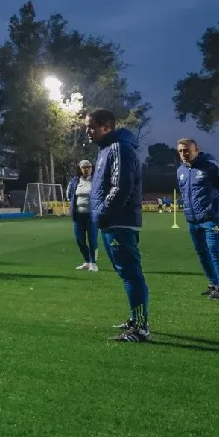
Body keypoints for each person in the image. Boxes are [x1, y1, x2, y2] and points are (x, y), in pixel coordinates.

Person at [86, 108, 149, 343]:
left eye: (91, 126)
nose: (87, 131)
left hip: (120, 222)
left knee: (131, 274)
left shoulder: (119, 149)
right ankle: (136, 319)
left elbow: (121, 187)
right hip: (111, 222)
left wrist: (102, 214)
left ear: (106, 126)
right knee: (126, 274)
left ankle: (141, 328)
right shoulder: (106, 150)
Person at [175, 138, 219, 299]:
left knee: (214, 249)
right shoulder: (180, 171)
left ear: (196, 150)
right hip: (193, 219)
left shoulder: (211, 166)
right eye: (180, 151)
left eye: (187, 150)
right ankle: (214, 284)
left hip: (211, 218)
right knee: (201, 252)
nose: (184, 154)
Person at [66, 160, 98, 272]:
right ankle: (87, 261)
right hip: (78, 215)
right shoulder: (75, 181)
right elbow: (69, 195)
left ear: (92, 168)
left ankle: (93, 263)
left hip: (92, 215)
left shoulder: (96, 180)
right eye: (84, 167)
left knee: (92, 239)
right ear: (80, 169)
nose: (86, 169)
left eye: (88, 167)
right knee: (80, 240)